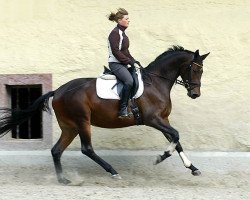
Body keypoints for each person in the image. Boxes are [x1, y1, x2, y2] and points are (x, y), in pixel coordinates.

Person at [107, 8, 139, 118]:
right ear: (120, 20)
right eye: (127, 19)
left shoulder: (122, 34)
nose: (129, 20)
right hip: (115, 64)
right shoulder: (115, 33)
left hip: (122, 64)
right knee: (129, 81)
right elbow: (116, 52)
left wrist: (134, 61)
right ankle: (123, 109)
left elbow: (125, 52)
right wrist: (128, 61)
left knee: (136, 76)